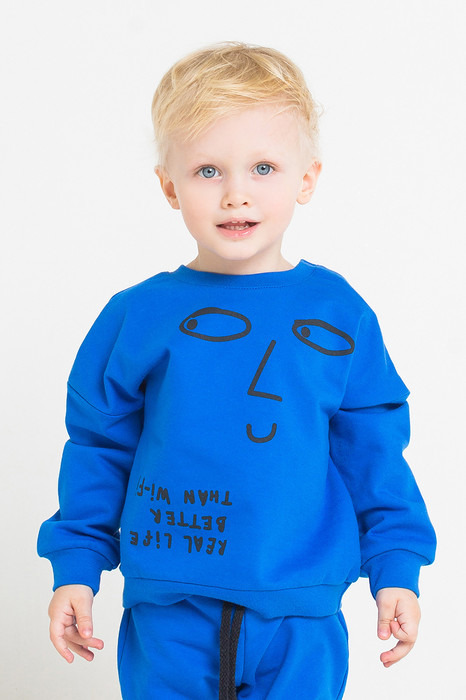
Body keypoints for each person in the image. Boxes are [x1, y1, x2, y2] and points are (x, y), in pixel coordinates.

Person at [37, 41, 437, 699]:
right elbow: (98, 447)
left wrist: (395, 567)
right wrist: (76, 567)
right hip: (170, 611)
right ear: (169, 186)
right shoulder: (138, 316)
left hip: (300, 616)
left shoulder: (339, 313)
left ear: (306, 178)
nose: (236, 194)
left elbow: (374, 451)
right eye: (207, 171)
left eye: (263, 167)